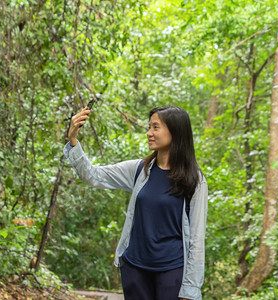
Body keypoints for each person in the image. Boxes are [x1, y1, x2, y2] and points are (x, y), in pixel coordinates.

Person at [63, 105, 208, 300]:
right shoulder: (140, 170)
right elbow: (93, 176)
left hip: (172, 272)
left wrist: (191, 289)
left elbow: (197, 239)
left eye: (155, 127)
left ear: (175, 132)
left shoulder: (194, 180)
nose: (149, 133)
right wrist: (73, 141)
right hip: (135, 270)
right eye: (149, 127)